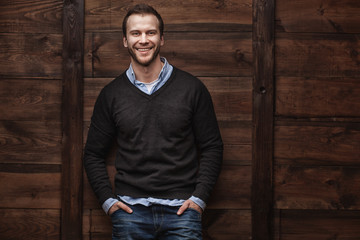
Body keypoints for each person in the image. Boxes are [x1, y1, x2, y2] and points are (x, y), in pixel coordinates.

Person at [84, 4, 223, 240]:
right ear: (125, 41)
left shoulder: (192, 89)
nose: (143, 40)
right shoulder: (112, 94)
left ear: (162, 38)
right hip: (130, 214)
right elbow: (93, 154)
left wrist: (198, 199)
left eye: (150, 32)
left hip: (182, 213)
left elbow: (212, 146)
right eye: (136, 33)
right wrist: (108, 202)